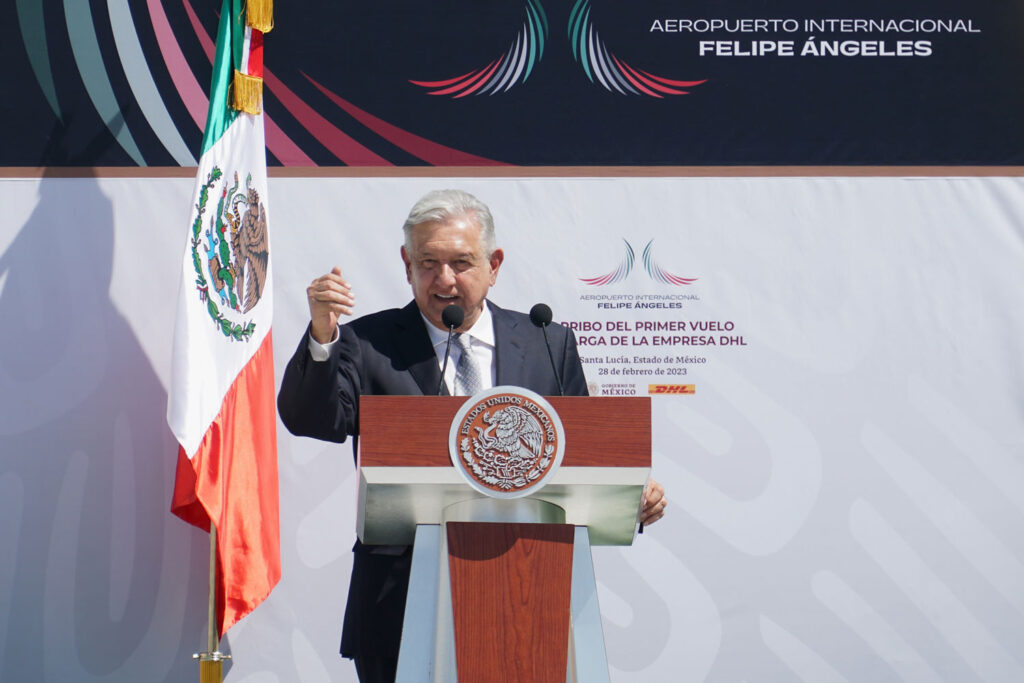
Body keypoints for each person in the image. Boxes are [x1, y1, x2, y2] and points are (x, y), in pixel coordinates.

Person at [277, 189, 667, 682]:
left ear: (494, 264)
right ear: (407, 265)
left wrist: (633, 493)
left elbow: (581, 459)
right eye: (428, 263)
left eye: (461, 263)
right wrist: (321, 336)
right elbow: (313, 420)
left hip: (530, 594)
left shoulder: (547, 342)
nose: (444, 280)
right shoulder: (367, 343)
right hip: (399, 607)